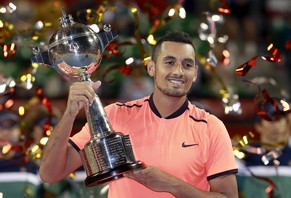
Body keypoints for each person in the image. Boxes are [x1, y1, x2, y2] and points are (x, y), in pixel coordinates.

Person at [39, 31, 239, 198]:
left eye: (187, 65)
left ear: (195, 73)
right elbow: (50, 173)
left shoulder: (211, 127)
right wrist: (70, 113)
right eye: (169, 62)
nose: (178, 71)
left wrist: (172, 185)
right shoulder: (114, 116)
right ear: (151, 68)